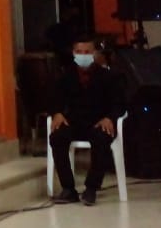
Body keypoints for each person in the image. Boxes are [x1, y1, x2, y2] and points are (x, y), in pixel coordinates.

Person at [48, 37, 127, 206]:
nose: (83, 55)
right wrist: (57, 113)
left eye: (87, 52)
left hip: (99, 122)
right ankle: (68, 188)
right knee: (57, 137)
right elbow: (54, 99)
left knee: (102, 138)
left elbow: (119, 103)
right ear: (73, 53)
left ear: (94, 53)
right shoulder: (65, 75)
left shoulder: (109, 76)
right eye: (79, 52)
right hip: (74, 122)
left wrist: (110, 118)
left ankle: (91, 188)